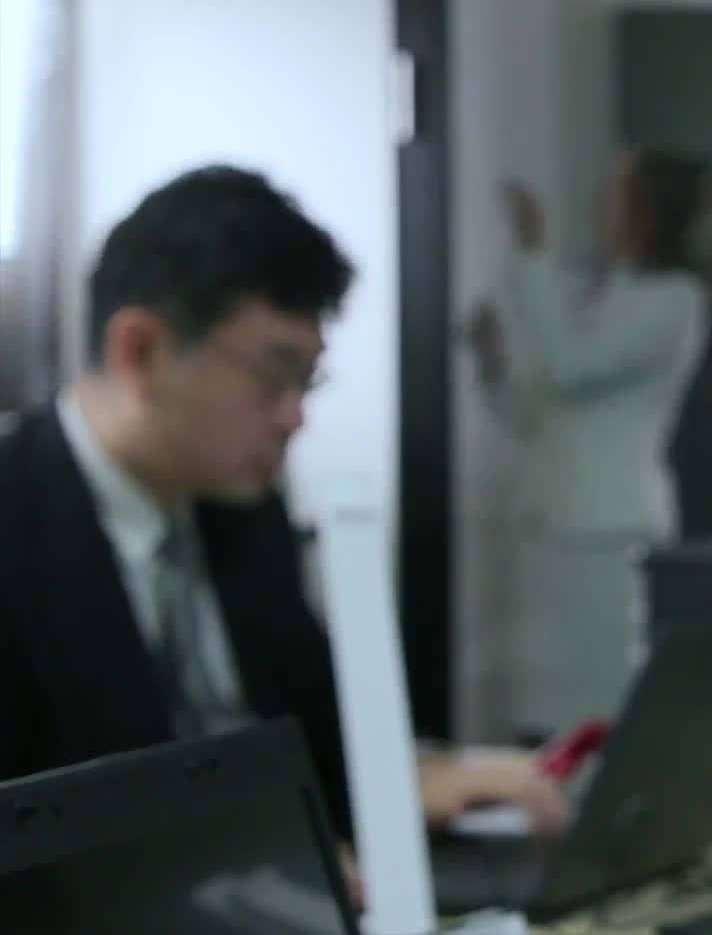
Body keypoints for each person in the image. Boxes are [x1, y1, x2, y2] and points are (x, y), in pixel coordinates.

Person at [0, 166, 572, 874]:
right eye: (274, 376)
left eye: (308, 381)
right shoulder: (19, 522)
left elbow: (314, 733)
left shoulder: (242, 511)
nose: (294, 417)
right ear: (140, 352)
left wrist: (413, 775)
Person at [463, 146, 712, 738]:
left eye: (617, 188)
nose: (600, 199)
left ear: (649, 207)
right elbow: (537, 416)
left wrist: (531, 252)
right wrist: (492, 365)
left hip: (608, 534)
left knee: (601, 712)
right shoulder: (590, 286)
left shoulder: (675, 298)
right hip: (546, 528)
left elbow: (571, 364)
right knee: (540, 719)